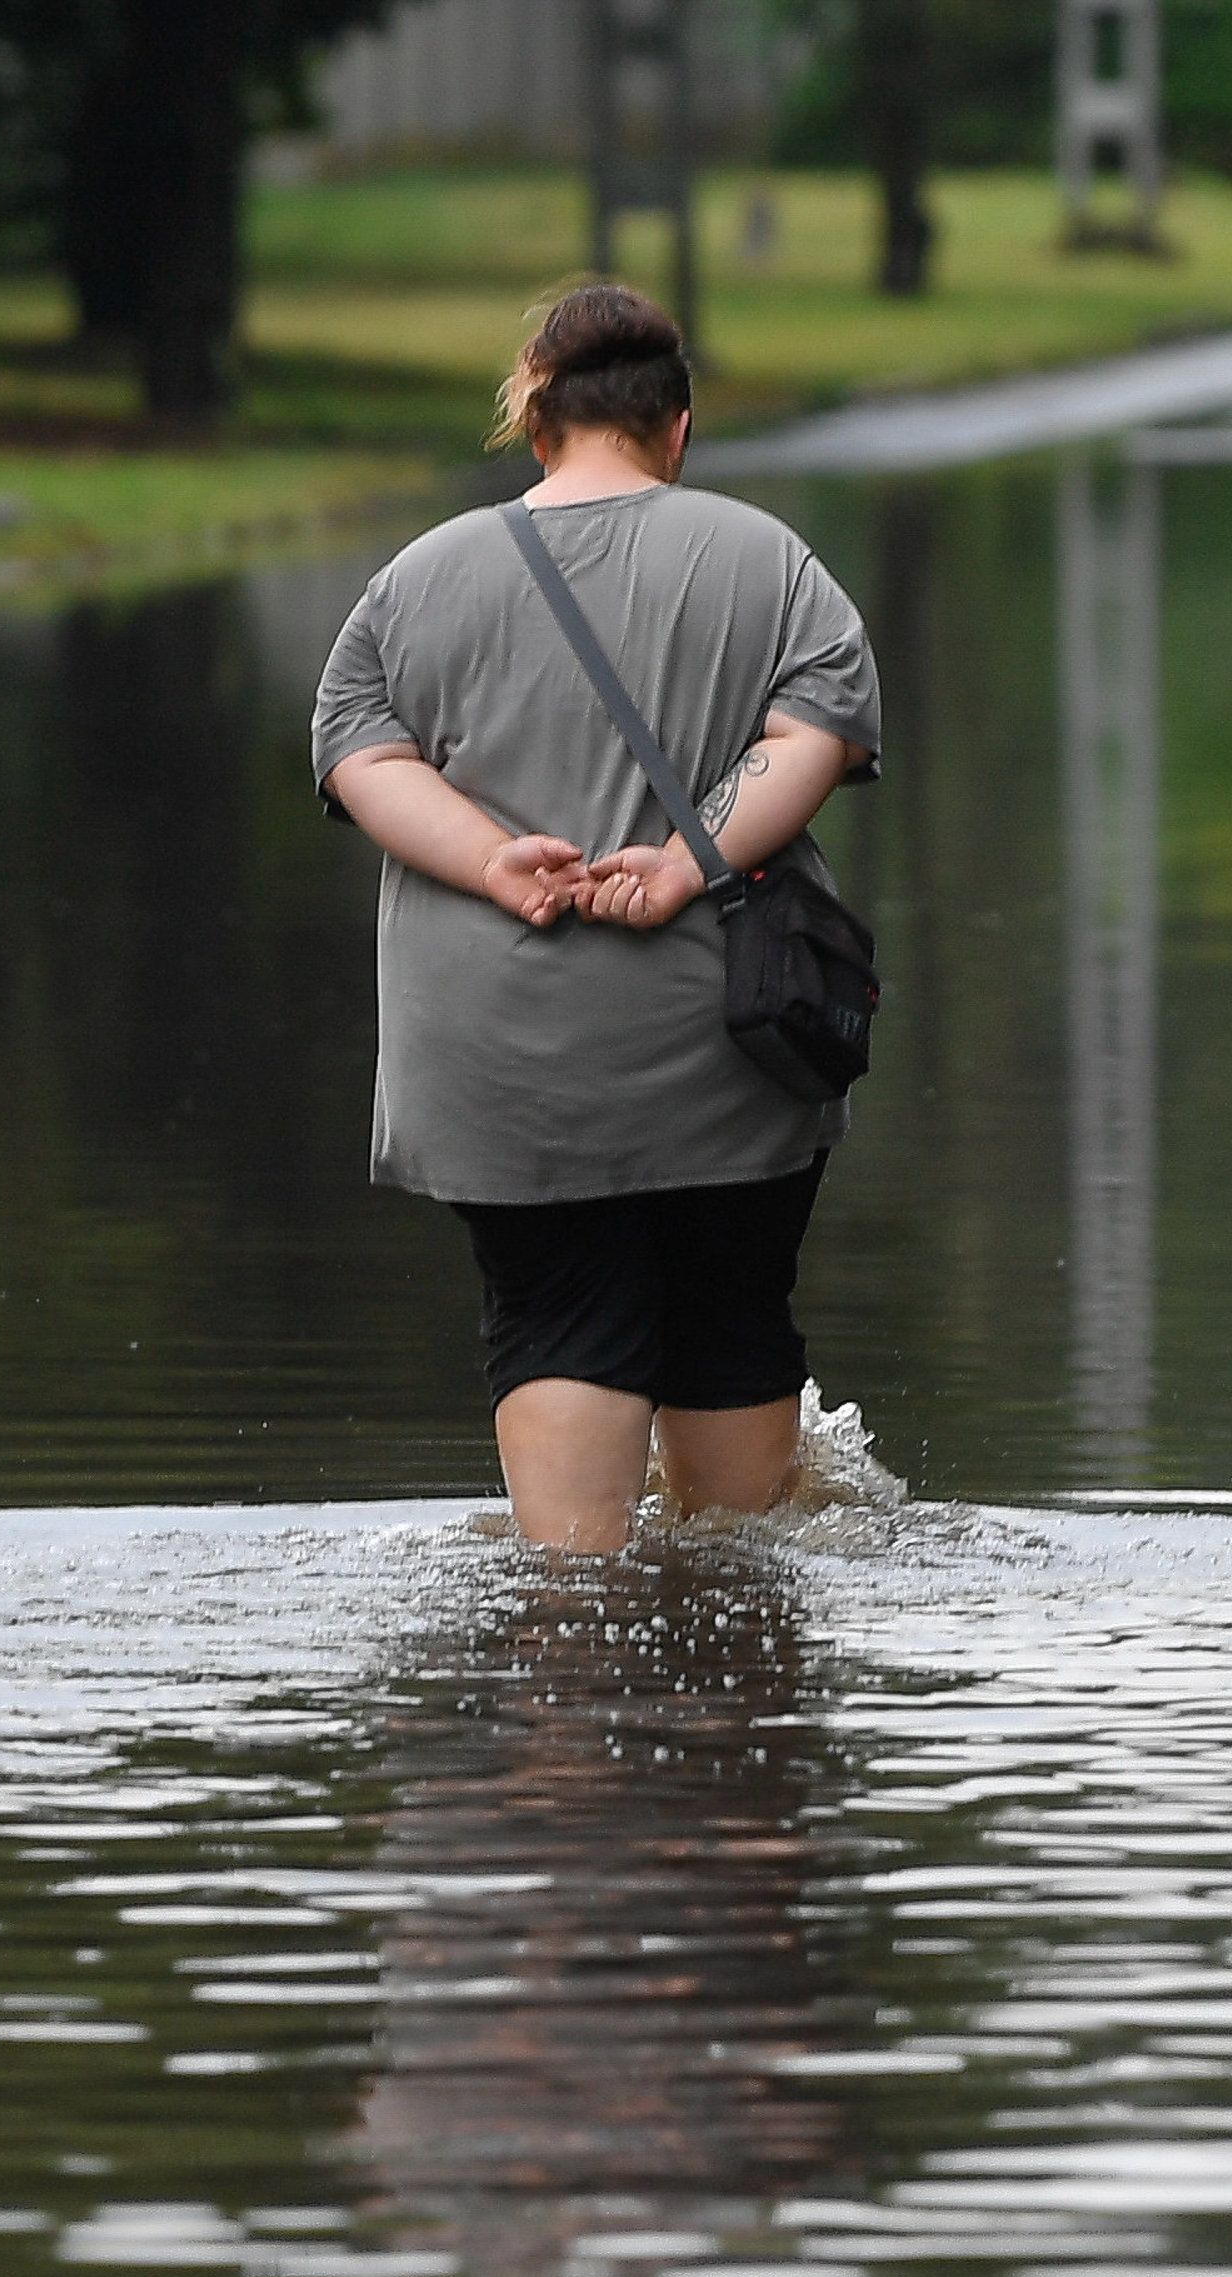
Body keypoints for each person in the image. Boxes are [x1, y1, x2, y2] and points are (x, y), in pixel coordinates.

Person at [310, 283, 882, 1554]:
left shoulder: (415, 582)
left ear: (534, 427)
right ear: (677, 431)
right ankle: (730, 1667)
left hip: (498, 1052)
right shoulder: (770, 562)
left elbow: (356, 750)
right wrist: (684, 867)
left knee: (558, 1308)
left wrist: (498, 861)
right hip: (729, 1041)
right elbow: (816, 737)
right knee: (732, 1311)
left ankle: (571, 1654)